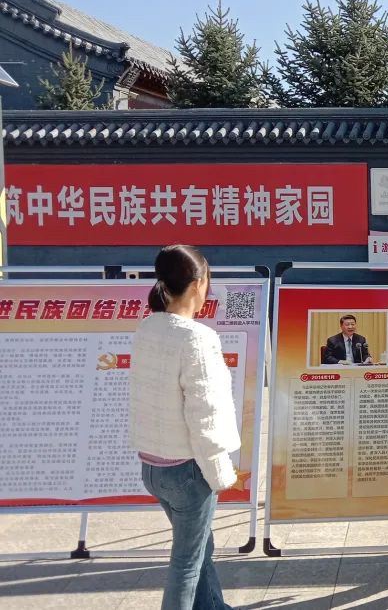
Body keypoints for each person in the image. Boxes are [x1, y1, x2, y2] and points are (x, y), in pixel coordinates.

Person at [129, 245, 241, 610]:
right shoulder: (197, 338)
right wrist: (220, 471)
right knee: (186, 563)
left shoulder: (148, 327)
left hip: (153, 466)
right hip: (188, 470)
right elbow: (205, 414)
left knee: (199, 547)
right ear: (198, 284)